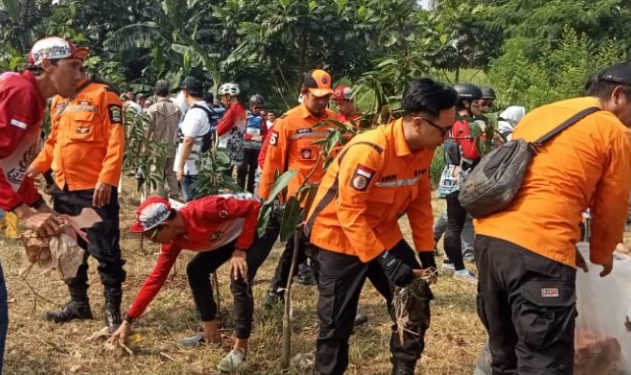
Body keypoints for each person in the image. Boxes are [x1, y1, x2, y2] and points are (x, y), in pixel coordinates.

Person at [474, 62, 631, 375]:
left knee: (505, 358)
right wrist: (602, 257)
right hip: (539, 251)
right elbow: (612, 208)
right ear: (618, 95)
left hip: (489, 243)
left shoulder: (542, 113)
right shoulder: (615, 131)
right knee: (544, 363)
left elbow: (534, 184)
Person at [306, 78, 457, 375]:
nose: (447, 137)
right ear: (418, 122)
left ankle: (403, 369)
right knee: (336, 323)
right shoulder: (370, 150)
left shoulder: (424, 150)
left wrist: (426, 254)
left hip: (381, 231)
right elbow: (349, 212)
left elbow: (420, 205)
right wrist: (386, 261)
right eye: (444, 130)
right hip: (336, 235)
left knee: (414, 301)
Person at [0, 36, 86, 373]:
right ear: (47, 65)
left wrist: (41, 206)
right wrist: (23, 213)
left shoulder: (29, 96)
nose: (79, 76)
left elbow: (12, 167)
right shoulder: (22, 94)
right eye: (73, 67)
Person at [110, 194, 272, 372]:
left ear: (165, 225)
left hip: (258, 225)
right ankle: (210, 332)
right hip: (229, 236)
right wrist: (128, 320)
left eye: (150, 234)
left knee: (239, 276)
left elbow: (253, 207)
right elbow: (156, 278)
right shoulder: (174, 239)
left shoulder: (205, 209)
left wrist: (241, 250)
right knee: (196, 270)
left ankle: (240, 348)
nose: (150, 240)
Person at [28, 66, 126, 333]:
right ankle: (78, 303)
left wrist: (107, 178)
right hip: (63, 188)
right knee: (68, 248)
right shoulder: (59, 100)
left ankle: (112, 311)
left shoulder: (104, 95)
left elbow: (116, 140)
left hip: (93, 190)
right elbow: (52, 143)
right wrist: (34, 167)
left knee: (104, 249)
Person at [259, 69, 337, 307]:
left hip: (327, 201)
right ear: (303, 93)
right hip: (299, 203)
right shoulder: (287, 122)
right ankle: (334, 303)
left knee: (296, 249)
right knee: (318, 253)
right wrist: (265, 201)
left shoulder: (334, 121)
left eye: (326, 96)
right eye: (317, 96)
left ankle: (275, 293)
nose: (322, 101)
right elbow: (272, 164)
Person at [440, 83, 483, 284]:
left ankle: (450, 260)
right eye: (476, 102)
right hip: (461, 175)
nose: (479, 105)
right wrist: (482, 134)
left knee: (453, 221)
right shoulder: (464, 124)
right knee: (456, 224)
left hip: (451, 173)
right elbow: (472, 153)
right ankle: (459, 268)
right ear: (465, 102)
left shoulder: (451, 122)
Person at [173, 77, 212, 202]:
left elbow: (188, 140)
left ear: (185, 92)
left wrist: (180, 167)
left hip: (192, 169)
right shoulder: (205, 109)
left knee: (192, 206)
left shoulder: (195, 113)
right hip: (199, 165)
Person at [144, 80, 181, 199]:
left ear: (156, 93)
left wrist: (144, 147)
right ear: (169, 92)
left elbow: (147, 130)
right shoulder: (176, 109)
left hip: (157, 147)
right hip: (173, 146)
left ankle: (158, 199)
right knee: (172, 174)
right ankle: (174, 198)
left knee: (156, 174)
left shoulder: (153, 108)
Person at [238, 94, 267, 193]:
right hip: (244, 148)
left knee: (253, 173)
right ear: (251, 106)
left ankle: (250, 193)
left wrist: (261, 137)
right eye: (256, 107)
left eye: (260, 108)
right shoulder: (246, 116)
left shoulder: (262, 119)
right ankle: (239, 191)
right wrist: (251, 137)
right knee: (242, 170)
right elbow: (240, 131)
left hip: (256, 149)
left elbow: (265, 133)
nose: (257, 109)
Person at [216, 83, 247, 171]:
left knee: (223, 179)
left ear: (228, 96)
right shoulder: (241, 109)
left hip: (227, 150)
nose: (222, 101)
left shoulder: (233, 110)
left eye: (222, 97)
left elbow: (219, 130)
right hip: (236, 149)